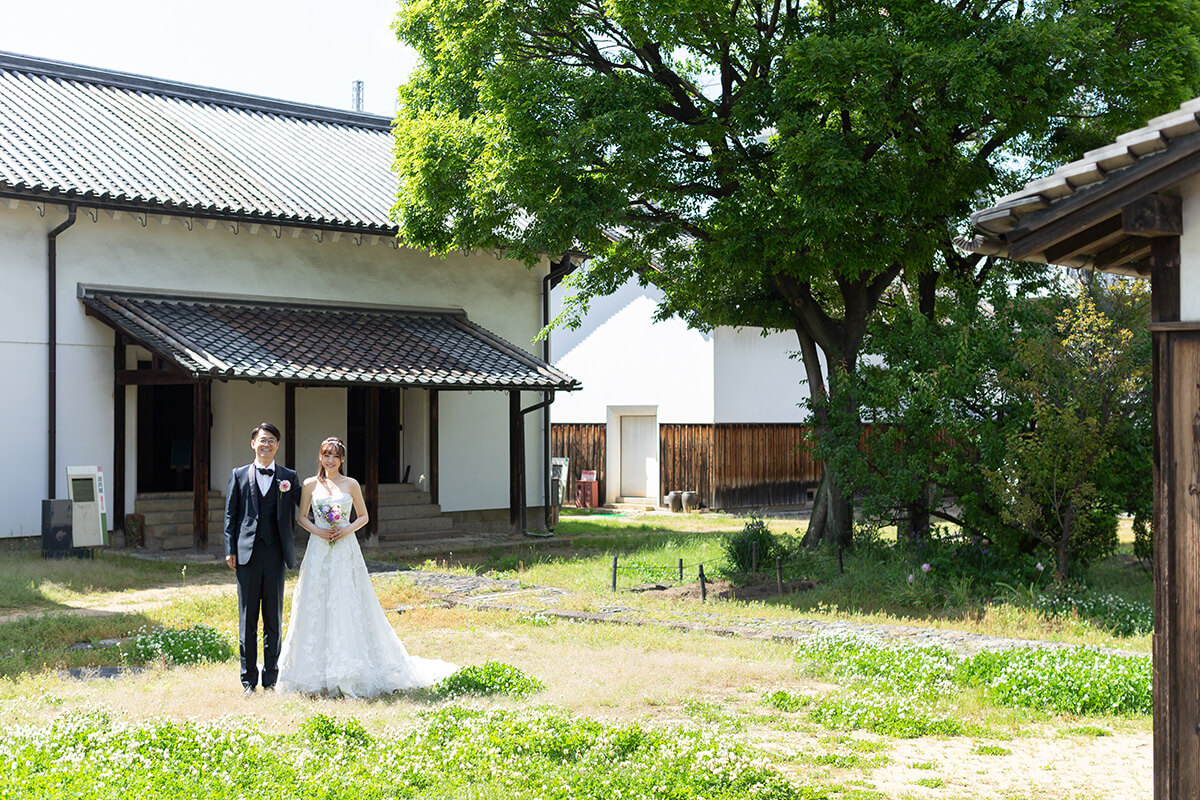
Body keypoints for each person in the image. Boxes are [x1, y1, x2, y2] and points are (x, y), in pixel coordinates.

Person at [276, 436, 456, 697]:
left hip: (345, 549)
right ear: (320, 457)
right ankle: (314, 673)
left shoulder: (351, 485)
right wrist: (320, 531)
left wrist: (345, 529)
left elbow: (364, 516)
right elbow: (302, 516)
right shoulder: (310, 484)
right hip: (319, 547)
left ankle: (349, 669)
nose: (330, 460)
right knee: (315, 600)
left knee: (346, 600)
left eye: (335, 456)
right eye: (326, 455)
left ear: (342, 460)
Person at [224, 422, 299, 694]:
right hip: (247, 555)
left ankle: (271, 680)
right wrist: (229, 548)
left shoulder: (288, 476)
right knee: (247, 620)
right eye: (262, 440)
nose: (266, 445)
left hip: (276, 554)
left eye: (272, 441)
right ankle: (248, 680)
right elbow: (231, 514)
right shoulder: (239, 474)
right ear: (253, 443)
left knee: (273, 619)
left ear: (277, 446)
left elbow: (304, 506)